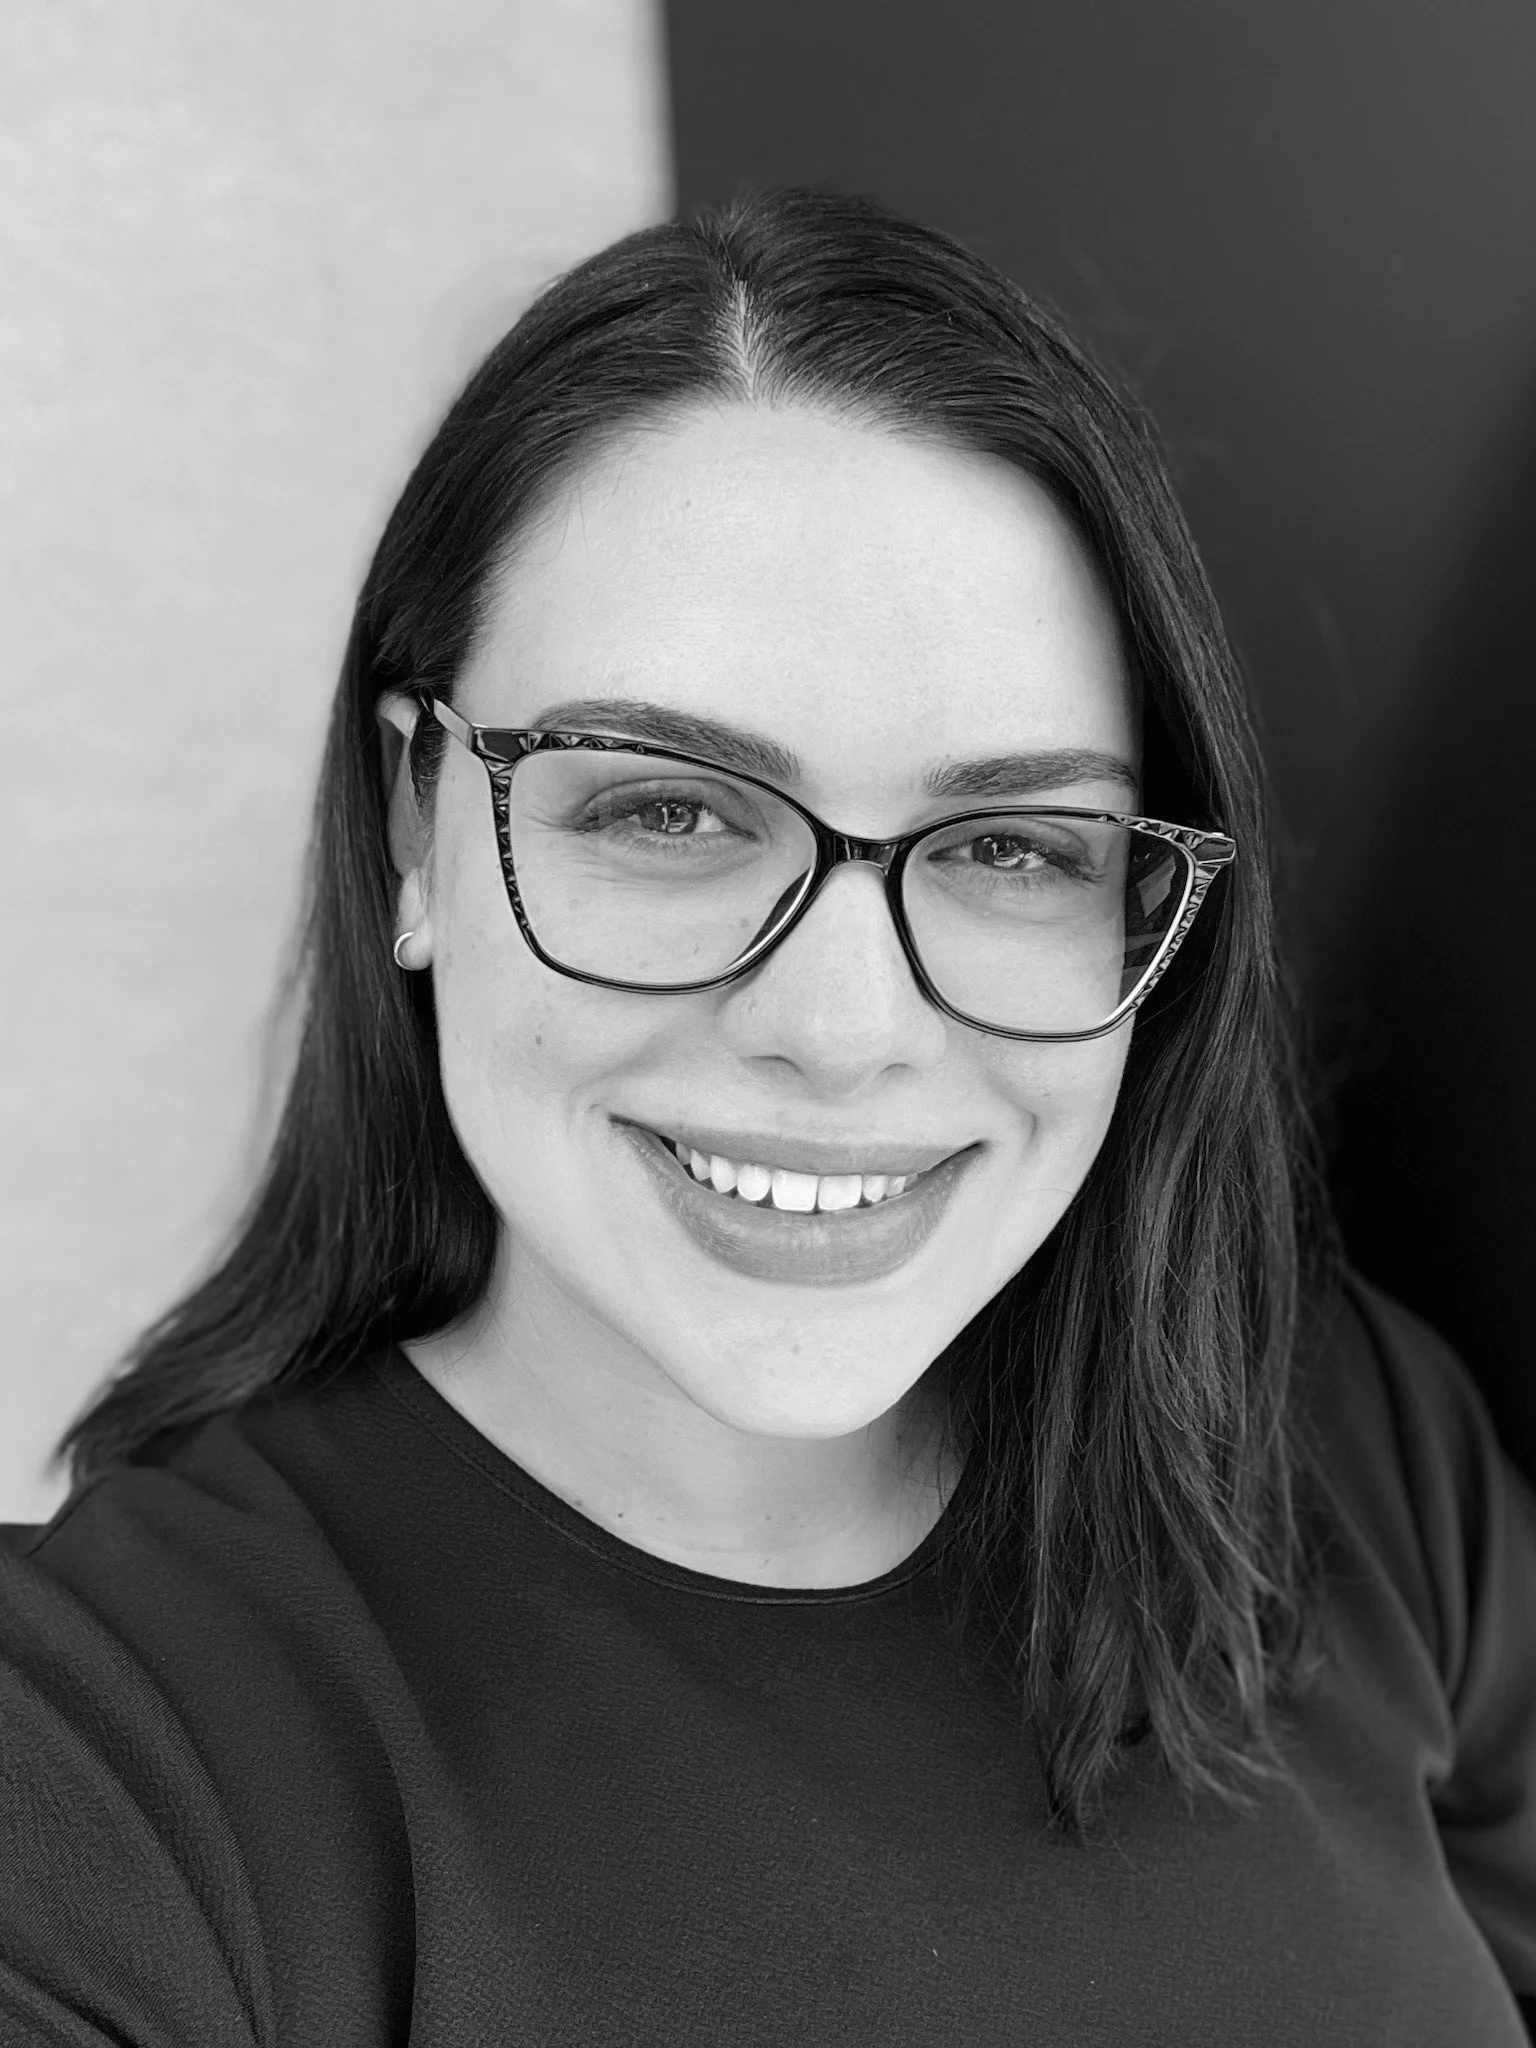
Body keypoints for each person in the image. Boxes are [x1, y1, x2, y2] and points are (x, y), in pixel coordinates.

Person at [2, 187, 1532, 2048]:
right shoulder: (106, 1768)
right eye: (667, 811)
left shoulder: (1338, 1448)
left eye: (1006, 848)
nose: (838, 1028)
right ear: (416, 832)